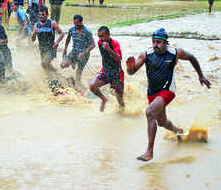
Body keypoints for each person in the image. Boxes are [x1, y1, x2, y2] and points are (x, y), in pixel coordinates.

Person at [125, 28, 211, 161]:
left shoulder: (175, 53)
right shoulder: (146, 54)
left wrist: (201, 76)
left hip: (167, 91)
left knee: (149, 112)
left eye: (158, 42)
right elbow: (132, 72)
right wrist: (130, 68)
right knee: (162, 122)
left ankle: (149, 151)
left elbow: (192, 58)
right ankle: (180, 132)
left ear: (166, 43)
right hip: (152, 93)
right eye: (153, 42)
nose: (155, 45)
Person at [89, 26, 125, 112]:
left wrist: (109, 49)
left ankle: (123, 116)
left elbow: (119, 58)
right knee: (92, 86)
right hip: (105, 72)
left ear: (108, 35)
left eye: (102, 36)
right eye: (99, 36)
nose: (100, 39)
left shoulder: (115, 44)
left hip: (117, 75)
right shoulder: (99, 42)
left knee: (120, 102)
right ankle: (103, 99)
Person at [61, 15, 95, 83]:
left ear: (81, 22)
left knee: (79, 71)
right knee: (63, 65)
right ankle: (73, 62)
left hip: (84, 54)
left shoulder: (87, 32)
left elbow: (93, 45)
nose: (76, 25)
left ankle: (78, 84)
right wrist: (65, 49)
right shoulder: (71, 30)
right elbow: (68, 38)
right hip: (74, 51)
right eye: (74, 23)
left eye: (77, 23)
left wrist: (83, 53)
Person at [31, 6, 65, 71]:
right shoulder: (36, 25)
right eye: (40, 14)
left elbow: (62, 33)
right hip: (42, 49)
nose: (41, 16)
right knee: (45, 67)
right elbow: (33, 40)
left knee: (44, 63)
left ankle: (54, 75)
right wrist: (34, 33)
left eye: (43, 14)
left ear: (47, 14)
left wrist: (57, 42)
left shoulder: (52, 24)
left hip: (51, 48)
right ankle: (55, 73)